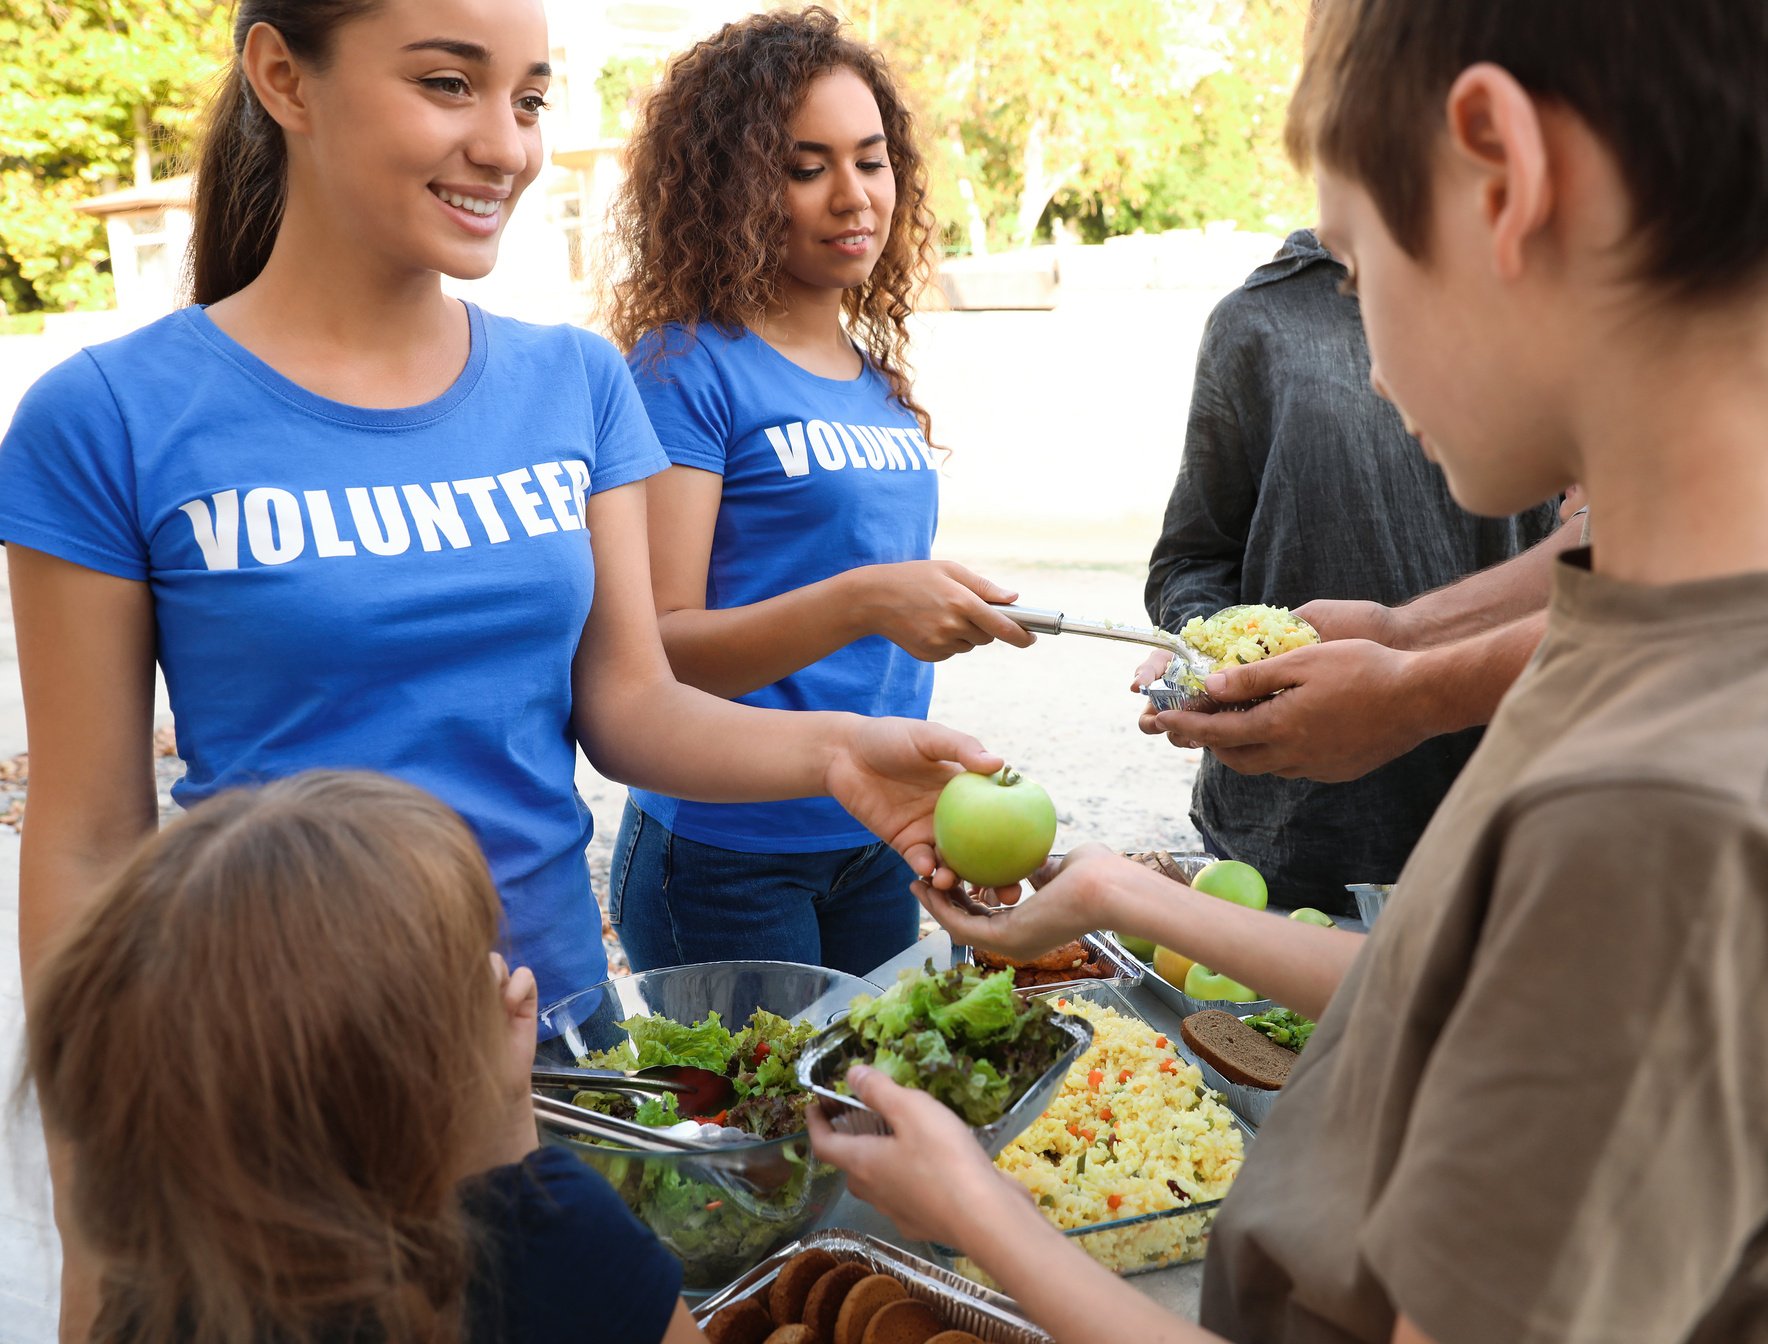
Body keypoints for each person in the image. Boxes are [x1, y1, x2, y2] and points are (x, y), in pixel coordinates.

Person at [814, 2, 1768, 1342]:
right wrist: (1108, 893)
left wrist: (983, 1217)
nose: (1368, 350)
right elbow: (1501, 1000)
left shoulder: (1667, 821)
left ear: (1501, 171)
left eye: (1364, 269)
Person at [0, 4, 995, 1329]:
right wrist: (92, 1221)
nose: (504, 145)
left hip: (549, 1057)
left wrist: (832, 753)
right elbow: (85, 842)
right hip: (268, 1098)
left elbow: (630, 707)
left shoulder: (574, 384)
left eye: (528, 99)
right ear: (284, 75)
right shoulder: (106, 417)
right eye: (448, 85)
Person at [597, 7, 1031, 976]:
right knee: (776, 1126)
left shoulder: (876, 379)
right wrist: (871, 599)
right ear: (732, 185)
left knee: (870, 1113)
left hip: (879, 828)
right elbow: (662, 655)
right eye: (807, 167)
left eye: (871, 161)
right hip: (725, 853)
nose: (854, 197)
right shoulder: (683, 368)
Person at [25, 771, 703, 1343]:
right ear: (404, 1088)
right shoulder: (565, 1246)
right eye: (468, 961)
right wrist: (524, 1173)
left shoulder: (164, 1300)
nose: (497, 969)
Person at [1139, 226, 1561, 907]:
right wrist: (1214, 648)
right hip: (1291, 831)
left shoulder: (1554, 299)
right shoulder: (1258, 320)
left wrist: (1408, 685)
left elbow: (1624, 577)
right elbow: (1194, 555)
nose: (1385, 382)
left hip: (1505, 822)